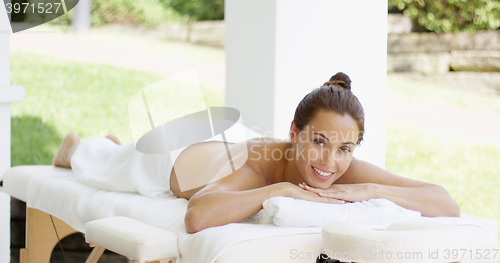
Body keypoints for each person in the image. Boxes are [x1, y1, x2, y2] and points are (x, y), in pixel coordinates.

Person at [52, 72, 460, 234]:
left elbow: (444, 202)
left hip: (230, 140)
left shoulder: (337, 165)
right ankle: (81, 147)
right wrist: (279, 190)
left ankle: (112, 140)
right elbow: (197, 215)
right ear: (295, 133)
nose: (329, 163)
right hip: (172, 158)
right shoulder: (261, 167)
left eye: (344, 149)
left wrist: (369, 188)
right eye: (318, 142)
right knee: (97, 162)